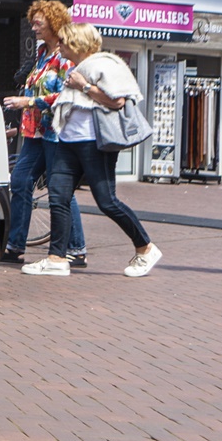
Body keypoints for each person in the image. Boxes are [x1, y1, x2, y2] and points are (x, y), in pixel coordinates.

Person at [22, 23, 161, 277]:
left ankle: (146, 248)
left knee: (107, 201)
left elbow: (117, 100)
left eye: (63, 41)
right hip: (68, 141)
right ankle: (56, 258)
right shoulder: (74, 69)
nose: (59, 44)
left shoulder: (105, 64)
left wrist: (84, 86)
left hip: (95, 142)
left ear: (77, 43)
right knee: (58, 197)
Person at [0, 0, 86, 266]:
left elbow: (66, 94)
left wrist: (29, 102)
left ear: (54, 23)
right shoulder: (41, 54)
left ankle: (76, 248)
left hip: (56, 131)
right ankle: (15, 245)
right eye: (32, 21)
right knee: (21, 180)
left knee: (61, 189)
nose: (34, 26)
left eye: (39, 21)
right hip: (34, 131)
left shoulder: (65, 56)